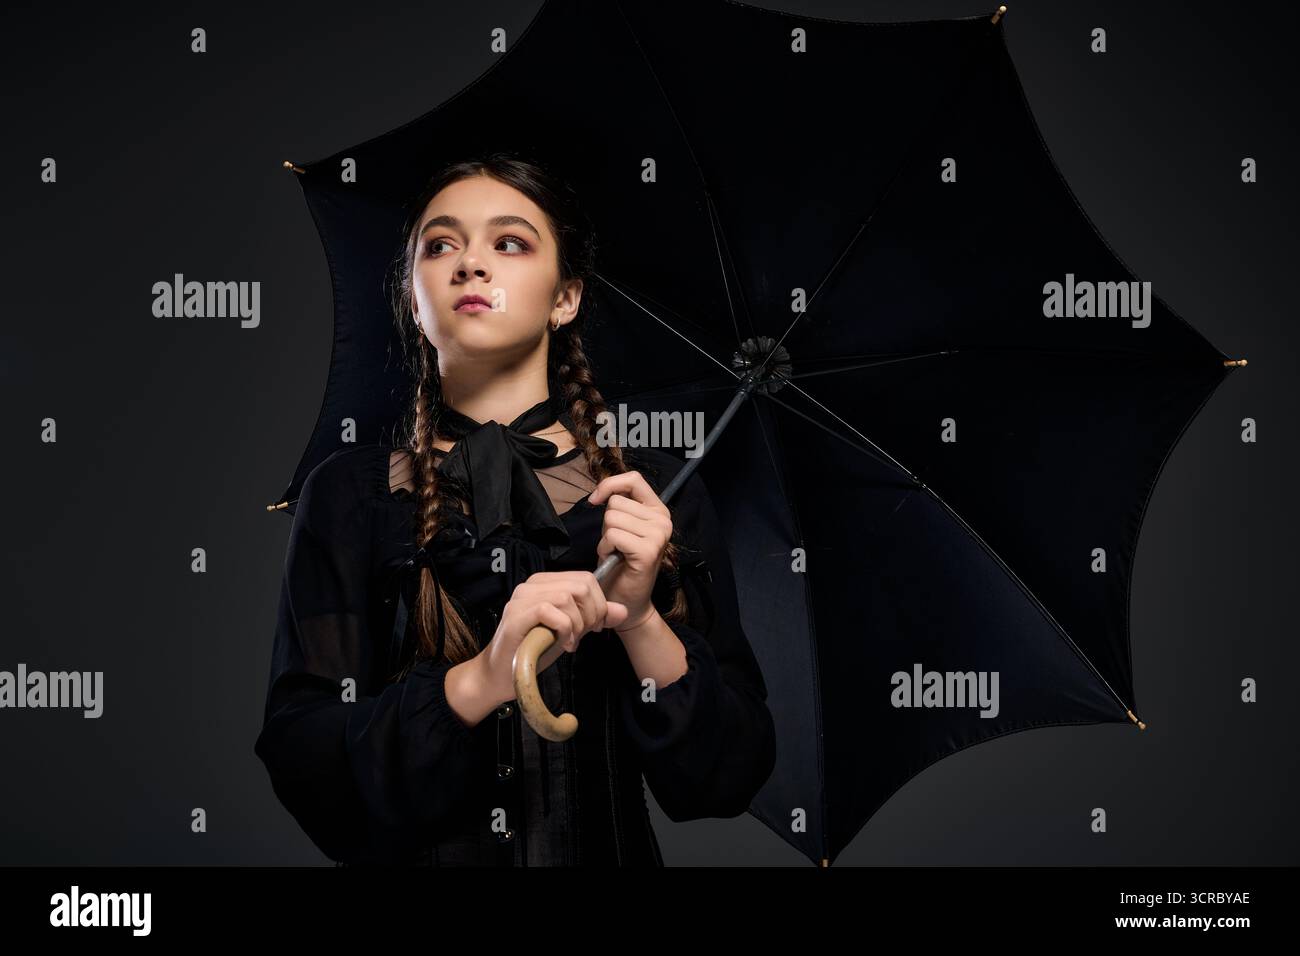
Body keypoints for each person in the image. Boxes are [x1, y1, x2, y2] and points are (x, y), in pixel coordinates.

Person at [253, 153, 776, 866]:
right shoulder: (350, 494)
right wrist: (483, 679)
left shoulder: (649, 497)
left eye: (509, 242)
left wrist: (642, 618)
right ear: (413, 297)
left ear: (566, 298)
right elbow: (307, 767)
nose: (470, 264)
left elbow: (723, 780)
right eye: (440, 246)